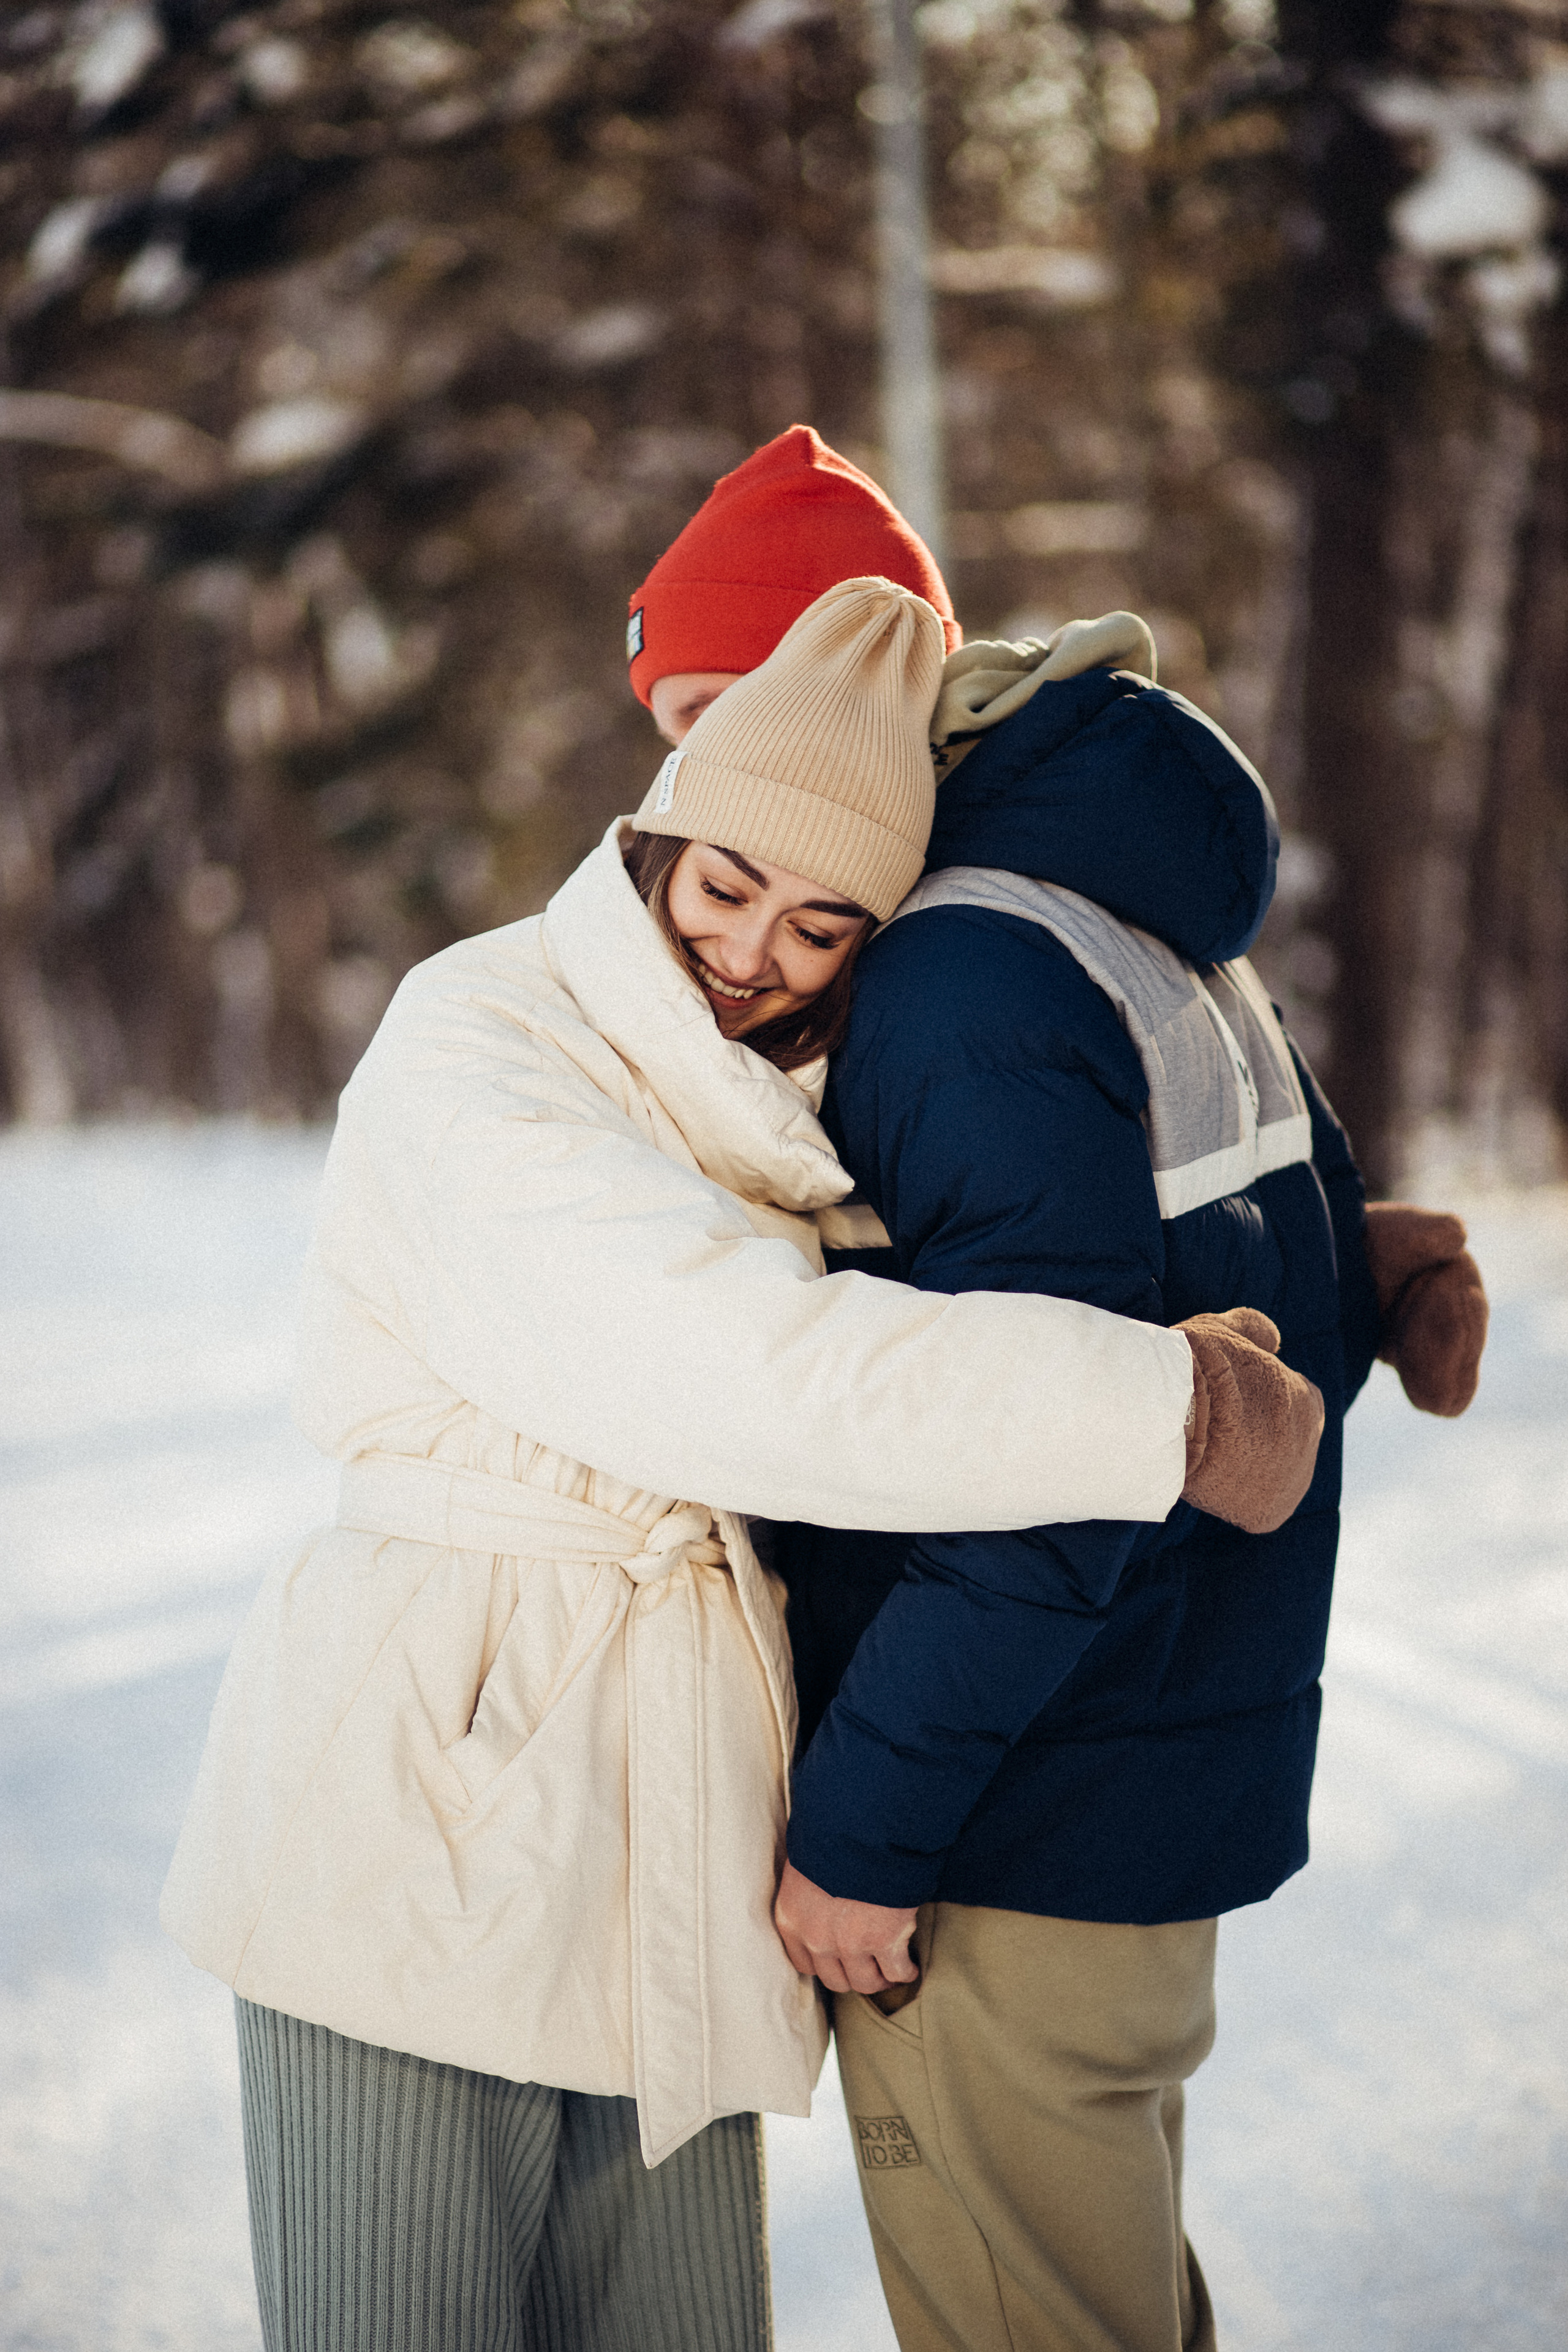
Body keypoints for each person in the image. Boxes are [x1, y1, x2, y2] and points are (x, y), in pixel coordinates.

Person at [162, 575, 1319, 2352]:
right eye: (724, 884)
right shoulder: (487, 1037)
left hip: (678, 1816)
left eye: (824, 922)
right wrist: (1155, 1409)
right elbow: (748, 1372)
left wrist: (1353, 1250)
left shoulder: (771, 1080)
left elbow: (1048, 1185)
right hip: (434, 1785)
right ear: (655, 839)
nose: (754, 949)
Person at [629, 428, 1488, 2352]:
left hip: (1017, 1817)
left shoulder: (951, 973)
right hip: (1151, 1768)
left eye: (714, 711)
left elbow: (1050, 1447)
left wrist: (866, 1830)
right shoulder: (1106, 894)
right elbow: (1226, 1258)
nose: (689, 781)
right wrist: (1378, 1264)